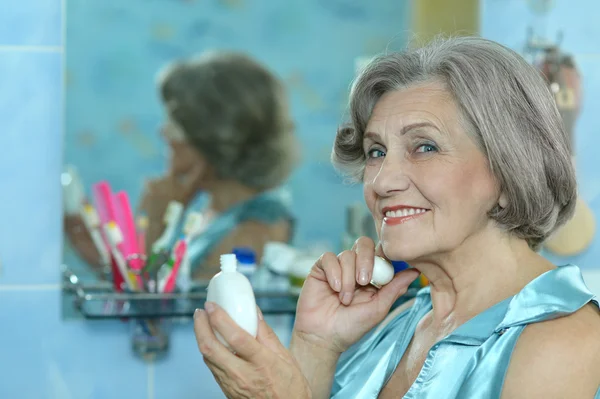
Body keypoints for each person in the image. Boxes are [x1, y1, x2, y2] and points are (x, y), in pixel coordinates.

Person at [192, 36, 600, 398]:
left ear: (510, 172)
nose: (383, 181)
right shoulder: (403, 323)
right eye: (376, 152)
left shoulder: (562, 342)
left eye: (424, 147)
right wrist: (317, 343)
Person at [66, 51, 298, 279]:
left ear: (213, 138)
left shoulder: (252, 231)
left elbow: (162, 313)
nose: (163, 132)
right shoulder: (211, 211)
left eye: (176, 122)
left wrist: (157, 221)